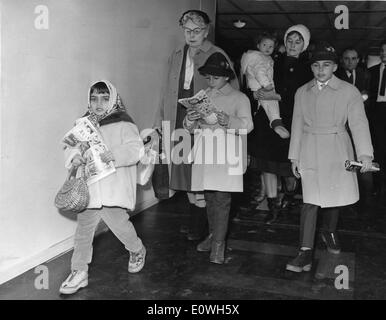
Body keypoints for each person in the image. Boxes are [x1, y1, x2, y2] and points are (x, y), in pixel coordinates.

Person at [286, 42, 374, 273]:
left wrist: (365, 154)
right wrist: (294, 157)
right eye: (316, 65)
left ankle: (330, 231)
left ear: (335, 66)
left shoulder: (349, 91)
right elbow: (296, 125)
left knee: (333, 195)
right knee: (310, 200)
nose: (320, 69)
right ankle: (305, 251)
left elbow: (358, 124)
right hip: (310, 148)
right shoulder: (302, 91)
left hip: (337, 147)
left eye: (326, 65)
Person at [153, 10, 238, 240]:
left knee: (200, 173)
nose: (191, 35)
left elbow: (232, 92)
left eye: (197, 31)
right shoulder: (177, 54)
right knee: (184, 173)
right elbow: (165, 92)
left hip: (206, 123)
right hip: (179, 118)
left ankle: (201, 225)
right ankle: (195, 219)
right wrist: (158, 123)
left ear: (206, 31)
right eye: (187, 30)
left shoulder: (217, 53)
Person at [59, 80, 146, 294]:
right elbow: (70, 148)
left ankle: (137, 249)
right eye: (94, 98)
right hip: (89, 189)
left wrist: (114, 155)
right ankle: (79, 271)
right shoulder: (83, 124)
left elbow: (136, 150)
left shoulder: (124, 123)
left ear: (114, 99)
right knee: (83, 232)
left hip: (112, 187)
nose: (99, 103)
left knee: (121, 226)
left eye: (105, 98)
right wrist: (75, 157)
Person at [183, 52, 253, 264]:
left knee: (222, 200)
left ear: (226, 77)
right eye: (208, 77)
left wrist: (228, 120)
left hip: (226, 152)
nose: (210, 81)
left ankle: (218, 247)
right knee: (210, 198)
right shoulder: (204, 94)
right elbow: (190, 128)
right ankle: (214, 236)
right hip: (205, 149)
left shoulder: (239, 98)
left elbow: (248, 125)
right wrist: (190, 119)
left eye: (215, 77)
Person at [249, 24, 313, 224]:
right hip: (268, 120)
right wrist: (256, 93)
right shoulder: (273, 60)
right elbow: (257, 79)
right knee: (267, 164)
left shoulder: (308, 66)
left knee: (288, 167)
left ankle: (287, 197)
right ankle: (272, 205)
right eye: (290, 41)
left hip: (292, 119)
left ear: (305, 44)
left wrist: (272, 94)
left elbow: (299, 95)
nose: (293, 45)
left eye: (298, 41)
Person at [335, 47, 373, 211]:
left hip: (360, 125)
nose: (350, 62)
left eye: (353, 58)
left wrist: (363, 100)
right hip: (342, 127)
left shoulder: (366, 75)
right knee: (344, 163)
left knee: (363, 164)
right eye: (346, 58)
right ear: (341, 60)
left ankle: (365, 203)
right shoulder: (335, 77)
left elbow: (370, 97)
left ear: (358, 60)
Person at [240, 32, 289, 139]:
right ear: (258, 45)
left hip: (258, 87)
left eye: (271, 46)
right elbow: (259, 72)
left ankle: (276, 123)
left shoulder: (263, 58)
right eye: (264, 45)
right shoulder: (259, 58)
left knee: (269, 105)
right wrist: (267, 85)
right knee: (272, 104)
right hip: (261, 86)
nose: (268, 48)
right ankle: (276, 123)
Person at [368, 40, 386, 204]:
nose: (384, 53)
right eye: (382, 50)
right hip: (377, 112)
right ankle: (377, 185)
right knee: (378, 149)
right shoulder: (371, 71)